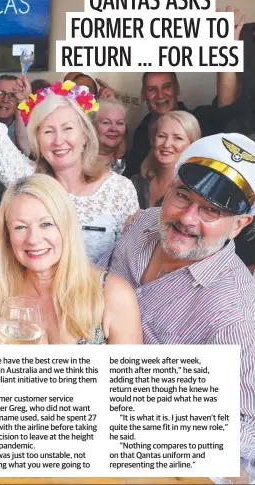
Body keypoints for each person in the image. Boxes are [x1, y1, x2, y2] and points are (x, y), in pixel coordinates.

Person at [108, 133, 255, 479]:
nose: (188, 218)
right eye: (183, 196)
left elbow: (249, 426)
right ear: (169, 188)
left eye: (211, 210)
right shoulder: (145, 223)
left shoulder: (236, 314)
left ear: (239, 225)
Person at [0, 0, 138, 265]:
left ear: (85, 136)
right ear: (36, 140)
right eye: (47, 132)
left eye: (67, 128)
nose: (59, 141)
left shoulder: (120, 190)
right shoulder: (26, 179)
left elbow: (131, 262)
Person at [0, 174, 142, 345]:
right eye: (20, 227)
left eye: (46, 224)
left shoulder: (112, 294)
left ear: (67, 227)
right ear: (7, 235)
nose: (33, 239)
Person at [124, 7, 247, 178]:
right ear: (144, 94)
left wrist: (226, 48)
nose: (160, 95)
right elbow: (132, 173)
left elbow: (226, 107)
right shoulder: (143, 127)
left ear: (177, 89)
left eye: (166, 87)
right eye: (152, 89)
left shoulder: (200, 119)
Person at [130, 111, 201, 209]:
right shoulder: (135, 183)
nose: (167, 144)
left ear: (192, 145)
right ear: (152, 141)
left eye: (178, 138)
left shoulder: (196, 193)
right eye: (161, 136)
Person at [94, 97, 128, 174]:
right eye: (106, 122)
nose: (113, 128)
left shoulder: (130, 164)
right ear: (93, 125)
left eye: (119, 123)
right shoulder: (77, 161)